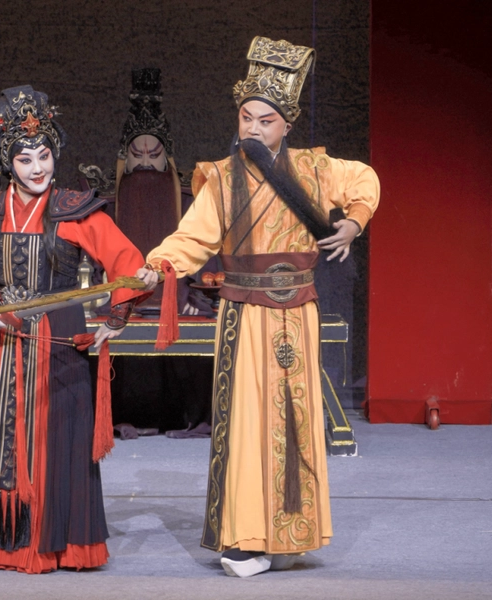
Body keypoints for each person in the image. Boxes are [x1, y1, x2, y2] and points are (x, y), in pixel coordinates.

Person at [137, 36, 380, 577]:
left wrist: (353, 221)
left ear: (286, 123)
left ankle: (290, 533)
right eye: (246, 117)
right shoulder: (222, 179)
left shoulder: (316, 171)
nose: (252, 128)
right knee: (246, 423)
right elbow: (190, 238)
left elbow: (364, 178)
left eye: (265, 120)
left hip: (298, 312)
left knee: (295, 419)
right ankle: (247, 538)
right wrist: (158, 264)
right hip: (245, 315)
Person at [0, 86, 149, 573]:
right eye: (25, 158)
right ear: (7, 163)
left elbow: (128, 265)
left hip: (59, 342)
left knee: (57, 441)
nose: (38, 168)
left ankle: (59, 543)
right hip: (2, 341)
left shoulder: (75, 210)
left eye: (45, 155)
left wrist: (114, 319)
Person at [106, 68, 215, 438]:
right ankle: (126, 416)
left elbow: (201, 247)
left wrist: (193, 298)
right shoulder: (109, 205)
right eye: (138, 153)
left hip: (177, 296)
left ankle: (187, 417)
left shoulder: (187, 200)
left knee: (197, 325)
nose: (147, 162)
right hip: (123, 296)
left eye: (155, 153)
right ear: (125, 156)